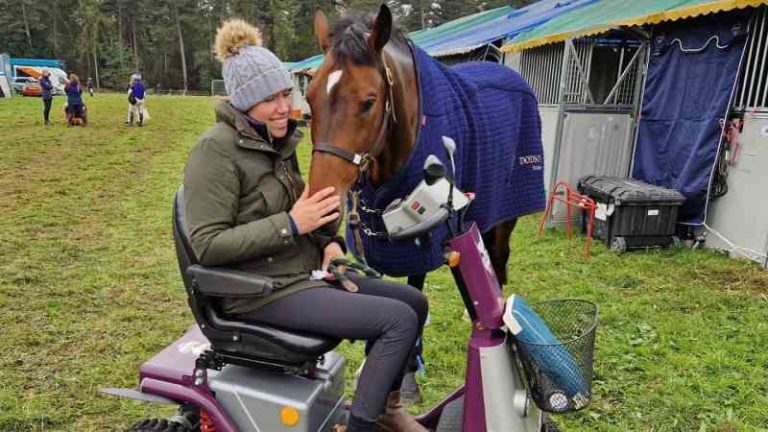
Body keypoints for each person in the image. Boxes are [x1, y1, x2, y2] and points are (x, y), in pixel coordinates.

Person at [182, 19, 428, 432]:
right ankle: (364, 427)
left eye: (285, 94)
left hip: (299, 273)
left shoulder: (279, 144)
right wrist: (291, 225)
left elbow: (307, 208)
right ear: (243, 103)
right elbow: (207, 245)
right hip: (257, 291)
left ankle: (387, 408)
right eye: (267, 100)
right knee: (396, 321)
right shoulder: (215, 151)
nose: (283, 107)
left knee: (413, 303)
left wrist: (328, 244)